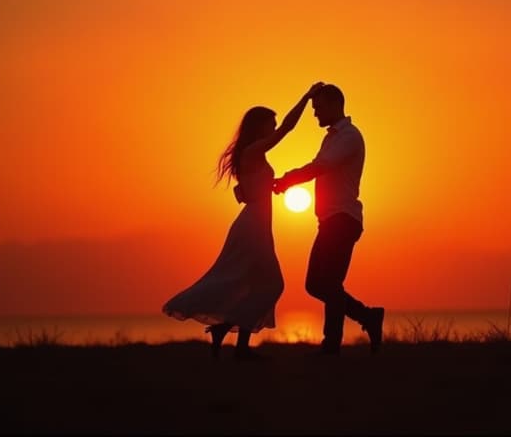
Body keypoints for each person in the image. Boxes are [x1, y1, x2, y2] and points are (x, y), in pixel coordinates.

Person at [162, 83, 323, 360]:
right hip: (253, 229)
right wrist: (306, 98)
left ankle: (238, 346)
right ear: (259, 126)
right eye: (269, 124)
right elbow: (287, 129)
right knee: (272, 284)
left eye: (273, 123)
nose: (273, 128)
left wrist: (271, 185)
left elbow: (250, 190)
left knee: (256, 283)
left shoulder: (253, 154)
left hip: (256, 225)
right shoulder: (253, 151)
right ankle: (229, 332)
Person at [273, 83, 384, 355]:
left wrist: (288, 180)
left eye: (318, 107)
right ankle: (368, 317)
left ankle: (331, 345)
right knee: (317, 284)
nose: (315, 114)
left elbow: (320, 167)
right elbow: (319, 165)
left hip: (343, 219)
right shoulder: (332, 137)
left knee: (328, 283)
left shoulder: (349, 137)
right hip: (330, 219)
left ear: (335, 105)